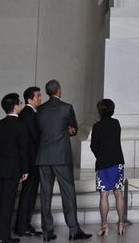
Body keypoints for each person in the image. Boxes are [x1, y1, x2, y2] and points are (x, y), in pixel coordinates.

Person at [35, 80, 92, 242]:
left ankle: (47, 232)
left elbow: (39, 130)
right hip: (61, 156)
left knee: (45, 194)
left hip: (44, 156)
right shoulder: (66, 107)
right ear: (59, 91)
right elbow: (73, 129)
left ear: (48, 92)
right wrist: (67, 130)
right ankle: (74, 230)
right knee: (68, 192)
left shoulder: (40, 110)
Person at [90, 99, 125, 236]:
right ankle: (121, 224)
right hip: (117, 162)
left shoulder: (97, 126)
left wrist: (100, 155)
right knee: (118, 192)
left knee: (104, 194)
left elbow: (94, 146)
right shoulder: (116, 124)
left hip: (103, 164)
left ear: (99, 111)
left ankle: (105, 226)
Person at [0, 93, 28, 243]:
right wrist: (25, 170)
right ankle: (3, 236)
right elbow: (23, 150)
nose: (20, 105)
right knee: (7, 204)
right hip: (12, 170)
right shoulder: (20, 125)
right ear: (16, 106)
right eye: (20, 103)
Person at [15, 87, 43, 237]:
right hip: (31, 161)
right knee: (29, 193)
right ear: (30, 100)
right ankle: (23, 226)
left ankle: (24, 225)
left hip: (30, 160)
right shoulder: (30, 114)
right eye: (38, 96)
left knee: (29, 192)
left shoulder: (28, 113)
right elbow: (35, 138)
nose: (40, 98)